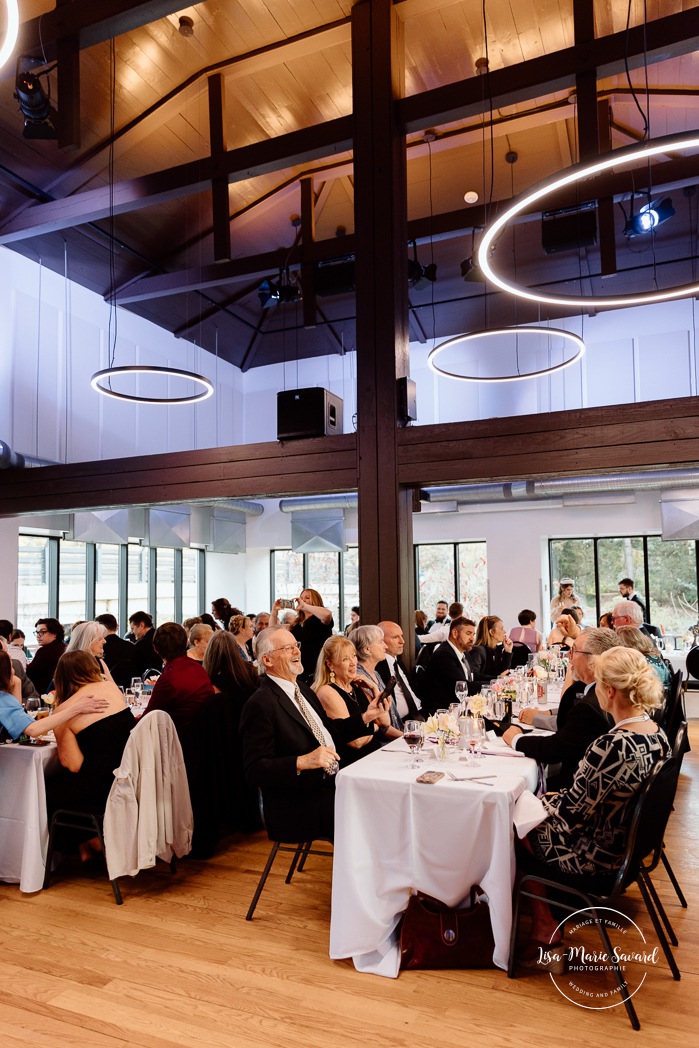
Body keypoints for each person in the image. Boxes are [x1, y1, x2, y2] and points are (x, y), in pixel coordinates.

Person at [518, 646, 668, 963]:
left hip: (596, 859)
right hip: (628, 852)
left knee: (513, 825)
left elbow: (568, 817)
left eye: (597, 684)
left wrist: (536, 802)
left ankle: (544, 927)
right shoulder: (657, 734)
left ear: (609, 691)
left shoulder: (611, 746)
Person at [240, 626, 387, 842]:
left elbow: (331, 732)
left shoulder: (302, 689)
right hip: (299, 803)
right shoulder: (260, 704)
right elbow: (254, 771)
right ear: (267, 660)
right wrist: (302, 761)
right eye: (287, 648)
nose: (297, 652)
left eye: (296, 646)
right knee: (374, 813)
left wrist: (365, 717)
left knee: (386, 796)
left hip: (331, 782)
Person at [45, 650, 136, 862]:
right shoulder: (111, 688)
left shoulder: (63, 713)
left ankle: (91, 838)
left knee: (46, 790)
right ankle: (85, 843)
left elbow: (73, 765)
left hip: (101, 786)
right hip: (128, 776)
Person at [503, 627, 618, 788]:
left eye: (574, 650)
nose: (569, 656)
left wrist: (515, 738)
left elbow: (554, 750)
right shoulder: (608, 691)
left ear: (593, 660)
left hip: (577, 787)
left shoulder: (591, 706)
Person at [0, 650, 109, 743]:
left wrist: (16, 683)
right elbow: (33, 729)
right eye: (11, 666)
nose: (14, 670)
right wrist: (77, 708)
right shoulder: (3, 700)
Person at [142, 623, 214, 758]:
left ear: (155, 649)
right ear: (187, 643)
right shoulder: (198, 668)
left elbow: (147, 721)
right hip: (205, 739)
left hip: (180, 747)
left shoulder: (169, 679)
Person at [313, 635, 385, 765]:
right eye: (345, 659)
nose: (353, 662)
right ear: (330, 665)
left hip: (374, 755)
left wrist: (374, 688)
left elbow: (385, 722)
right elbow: (356, 742)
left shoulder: (356, 685)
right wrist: (375, 726)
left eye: (354, 656)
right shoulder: (327, 692)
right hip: (354, 764)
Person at [270, 589, 333, 685]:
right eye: (301, 598)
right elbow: (272, 630)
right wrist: (274, 612)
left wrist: (305, 606)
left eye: (307, 598)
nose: (303, 600)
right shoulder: (297, 623)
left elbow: (327, 614)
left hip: (318, 667)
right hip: (300, 668)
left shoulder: (320, 620)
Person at [421, 616, 478, 713]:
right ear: (455, 633)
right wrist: (494, 685)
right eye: (468, 634)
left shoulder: (464, 653)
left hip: (461, 708)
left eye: (473, 634)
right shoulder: (443, 656)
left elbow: (474, 675)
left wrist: (497, 679)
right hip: (444, 713)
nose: (472, 639)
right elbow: (463, 686)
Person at [376, 620, 422, 722]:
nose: (402, 641)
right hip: (401, 721)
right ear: (381, 641)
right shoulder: (378, 666)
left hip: (419, 712)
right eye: (395, 637)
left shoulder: (397, 661)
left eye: (401, 636)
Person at [95, 613, 137, 688]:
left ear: (101, 628)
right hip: (130, 687)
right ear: (115, 626)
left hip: (105, 688)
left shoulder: (99, 648)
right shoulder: (131, 646)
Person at [26, 618, 67, 694]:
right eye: (37, 632)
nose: (38, 636)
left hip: (45, 694)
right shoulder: (66, 647)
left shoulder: (45, 651)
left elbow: (29, 672)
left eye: (42, 632)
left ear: (54, 634)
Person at [469, 616, 514, 681]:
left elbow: (504, 673)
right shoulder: (477, 651)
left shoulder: (496, 649)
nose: (504, 632)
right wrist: (497, 678)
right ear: (492, 632)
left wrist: (508, 651)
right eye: (501, 629)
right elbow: (475, 676)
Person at [128, 611, 163, 677]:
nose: (132, 632)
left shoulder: (142, 644)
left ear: (142, 625)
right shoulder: (160, 636)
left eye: (133, 628)